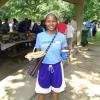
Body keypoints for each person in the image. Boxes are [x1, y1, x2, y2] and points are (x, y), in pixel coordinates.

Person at [34, 13, 68, 100]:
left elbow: (64, 52)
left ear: (57, 22)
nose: (51, 23)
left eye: (53, 21)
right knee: (42, 91)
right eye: (48, 21)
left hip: (57, 67)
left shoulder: (62, 37)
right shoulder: (40, 36)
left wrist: (66, 55)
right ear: (45, 22)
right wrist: (34, 56)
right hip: (43, 67)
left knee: (56, 91)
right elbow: (37, 52)